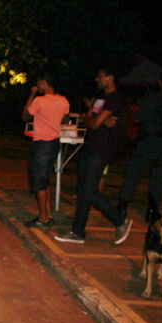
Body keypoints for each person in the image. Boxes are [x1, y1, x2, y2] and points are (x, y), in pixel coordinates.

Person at [55, 66, 132, 244]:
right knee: (83, 190)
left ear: (110, 78)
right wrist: (93, 120)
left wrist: (94, 120)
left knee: (90, 190)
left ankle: (120, 219)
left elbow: (95, 122)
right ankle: (77, 232)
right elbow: (89, 117)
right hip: (89, 147)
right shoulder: (101, 99)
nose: (97, 79)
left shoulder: (115, 99)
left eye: (100, 76)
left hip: (101, 149)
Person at [116, 69, 162, 222]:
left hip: (147, 140)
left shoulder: (151, 98)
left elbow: (138, 119)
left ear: (159, 82)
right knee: (158, 178)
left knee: (134, 174)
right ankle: (153, 210)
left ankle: (123, 205)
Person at [22, 73, 70, 228]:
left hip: (42, 143)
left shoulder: (39, 100)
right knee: (45, 180)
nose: (38, 86)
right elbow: (66, 119)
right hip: (54, 143)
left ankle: (43, 219)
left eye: (39, 84)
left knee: (39, 183)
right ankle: (47, 214)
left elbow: (25, 116)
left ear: (44, 83)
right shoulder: (63, 100)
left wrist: (31, 95)